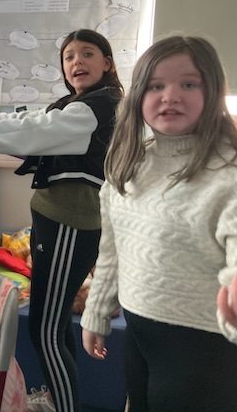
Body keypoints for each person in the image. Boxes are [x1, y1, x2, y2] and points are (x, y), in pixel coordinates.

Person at [0, 29, 124, 412]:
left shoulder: (95, 109)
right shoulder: (76, 104)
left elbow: (31, 132)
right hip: (55, 223)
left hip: (69, 226)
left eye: (87, 54)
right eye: (69, 56)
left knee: (44, 330)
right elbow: (25, 120)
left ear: (107, 63)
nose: (76, 62)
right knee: (54, 326)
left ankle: (64, 405)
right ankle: (59, 399)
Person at [80, 36, 237, 412]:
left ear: (212, 91)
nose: (170, 96)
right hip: (140, 335)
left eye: (189, 84)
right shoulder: (129, 163)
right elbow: (112, 250)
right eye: (155, 86)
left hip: (202, 348)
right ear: (138, 96)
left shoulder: (227, 172)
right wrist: (96, 312)